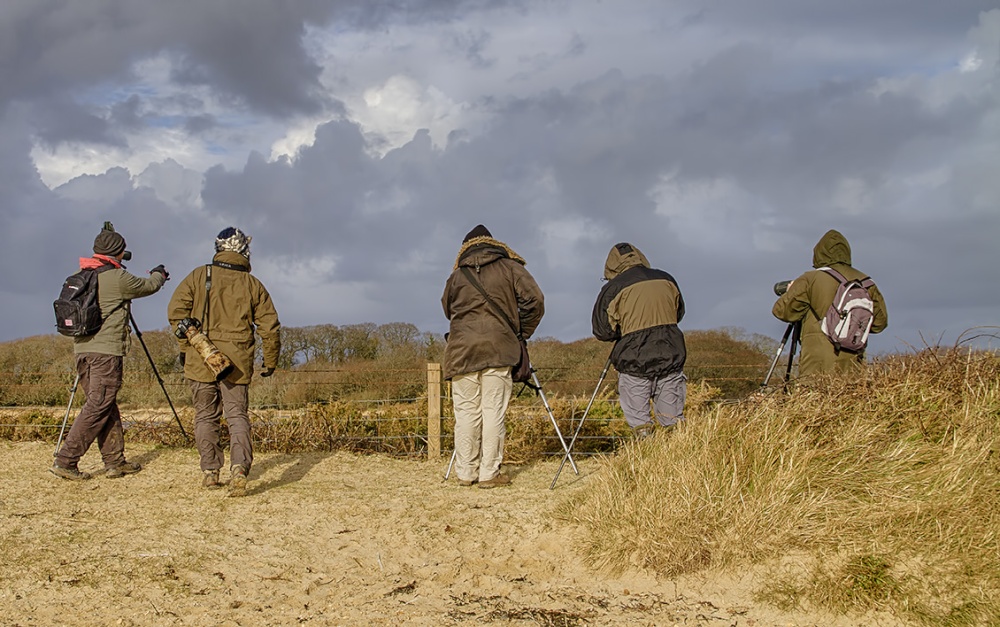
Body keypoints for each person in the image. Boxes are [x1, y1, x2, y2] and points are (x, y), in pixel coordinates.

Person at [167, 227, 280, 497]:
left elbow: (176, 313)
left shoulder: (198, 275)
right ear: (245, 251)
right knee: (237, 415)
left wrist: (187, 346)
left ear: (218, 248)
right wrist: (270, 361)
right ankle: (239, 469)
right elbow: (270, 327)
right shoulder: (253, 285)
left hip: (200, 358)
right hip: (238, 361)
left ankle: (210, 471)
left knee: (205, 416)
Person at [51, 228, 168, 480]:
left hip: (82, 350)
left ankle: (115, 461)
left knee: (105, 404)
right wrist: (159, 274)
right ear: (118, 251)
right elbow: (149, 286)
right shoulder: (117, 277)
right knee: (98, 405)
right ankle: (66, 460)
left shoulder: (81, 275)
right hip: (105, 352)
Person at [441, 225, 544, 489]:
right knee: (493, 411)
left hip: (461, 349)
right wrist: (520, 332)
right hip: (499, 348)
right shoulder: (511, 268)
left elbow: (447, 309)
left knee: (466, 413)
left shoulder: (456, 276)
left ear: (464, 249)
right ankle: (489, 473)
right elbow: (535, 300)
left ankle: (466, 472)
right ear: (493, 243)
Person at [592, 242, 686, 439]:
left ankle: (646, 454)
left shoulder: (613, 288)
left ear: (611, 266)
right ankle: (681, 454)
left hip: (634, 359)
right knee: (673, 421)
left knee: (640, 424)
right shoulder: (666, 279)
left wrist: (626, 327)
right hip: (671, 353)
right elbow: (678, 313)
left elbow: (602, 331)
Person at [772, 229, 888, 377]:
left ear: (819, 253)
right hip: (854, 362)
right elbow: (879, 324)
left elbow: (782, 312)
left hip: (817, 363)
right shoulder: (866, 282)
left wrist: (792, 290)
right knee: (850, 390)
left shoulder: (811, 278)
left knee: (814, 391)